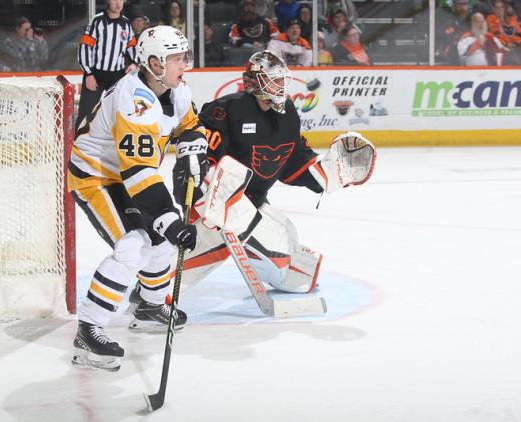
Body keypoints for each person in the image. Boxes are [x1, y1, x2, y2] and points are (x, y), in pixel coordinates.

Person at [170, 51, 375, 298]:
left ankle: (276, 265)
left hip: (251, 203)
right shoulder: (226, 110)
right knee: (217, 239)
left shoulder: (287, 113)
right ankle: (156, 291)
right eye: (274, 79)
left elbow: (292, 157)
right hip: (212, 201)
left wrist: (326, 172)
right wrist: (208, 198)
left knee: (286, 242)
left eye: (281, 79)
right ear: (254, 81)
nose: (281, 85)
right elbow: (200, 158)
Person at [68, 26, 210, 372]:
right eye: (176, 59)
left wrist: (194, 147)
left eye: (183, 57)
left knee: (161, 243)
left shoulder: (175, 89)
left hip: (129, 173)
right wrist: (170, 219)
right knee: (133, 245)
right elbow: (138, 173)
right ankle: (89, 329)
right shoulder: (134, 100)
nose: (183, 65)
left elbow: (188, 124)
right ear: (153, 63)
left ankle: (148, 307)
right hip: (97, 176)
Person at [76, 0, 137, 128]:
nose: (118, 3)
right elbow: (85, 47)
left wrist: (134, 63)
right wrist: (88, 73)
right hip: (96, 75)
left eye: (120, 0)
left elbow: (132, 47)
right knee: (86, 114)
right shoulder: (97, 21)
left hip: (117, 76)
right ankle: (78, 145)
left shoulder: (126, 23)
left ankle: (116, 145)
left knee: (121, 113)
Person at [436, 0, 471, 64]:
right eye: (459, 4)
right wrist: (459, 21)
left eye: (465, 4)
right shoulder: (447, 17)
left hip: (470, 51)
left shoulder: (472, 18)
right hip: (451, 50)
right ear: (454, 6)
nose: (462, 7)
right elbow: (444, 35)